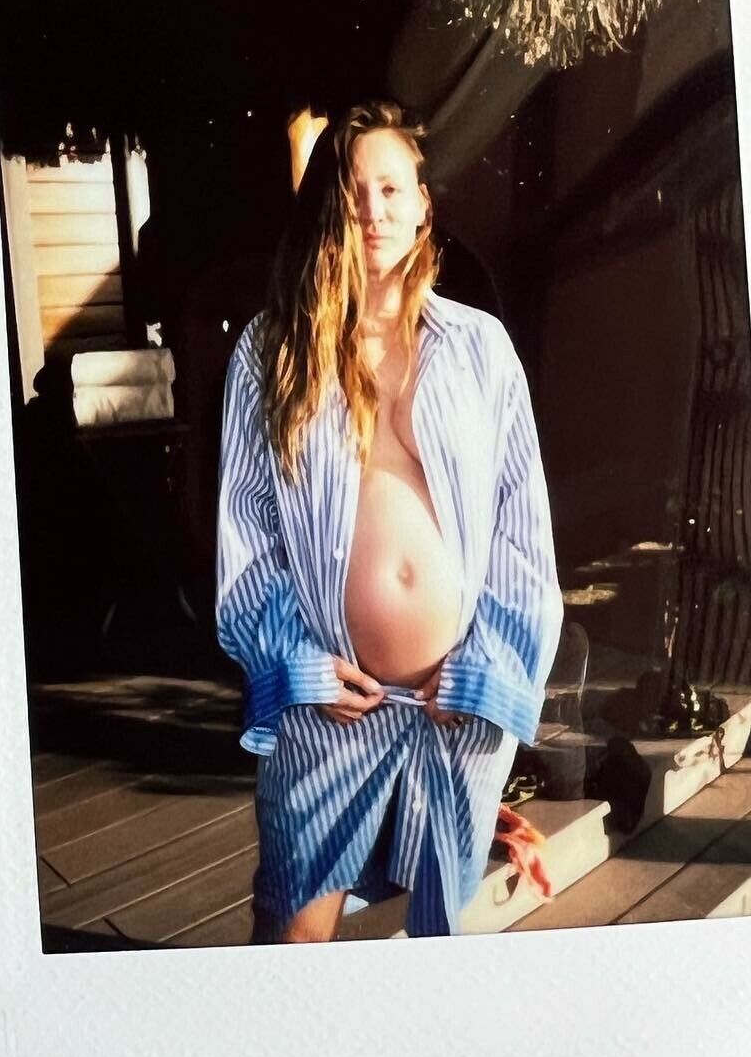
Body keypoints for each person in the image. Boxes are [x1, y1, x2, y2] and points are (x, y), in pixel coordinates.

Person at [214, 100, 564, 942]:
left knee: (437, 942)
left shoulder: (480, 350)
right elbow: (246, 533)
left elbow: (522, 531)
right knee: (294, 934)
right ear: (326, 209)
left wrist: (486, 672)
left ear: (422, 206)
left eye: (390, 189)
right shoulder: (272, 353)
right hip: (329, 705)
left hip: (457, 710)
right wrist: (298, 667)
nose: (371, 210)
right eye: (351, 192)